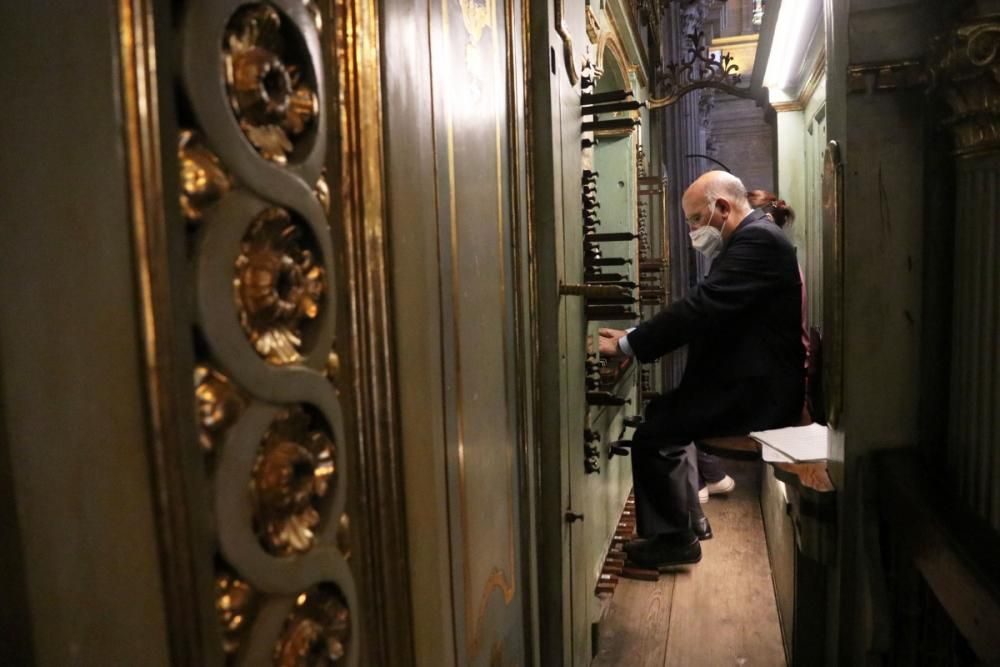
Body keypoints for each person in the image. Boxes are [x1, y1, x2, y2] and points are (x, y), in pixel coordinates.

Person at [599, 171, 805, 569]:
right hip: (751, 382)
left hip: (760, 395)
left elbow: (703, 306)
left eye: (695, 219)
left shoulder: (757, 240)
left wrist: (631, 344)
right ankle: (689, 523)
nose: (693, 230)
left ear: (723, 208)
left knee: (653, 434)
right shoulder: (754, 236)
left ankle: (677, 541)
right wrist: (637, 335)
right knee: (662, 415)